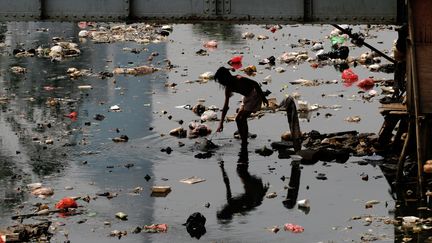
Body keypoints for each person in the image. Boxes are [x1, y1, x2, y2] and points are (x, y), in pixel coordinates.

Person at [214, 67, 268, 146]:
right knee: (237, 119)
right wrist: (221, 123)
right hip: (246, 98)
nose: (221, 83)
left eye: (221, 81)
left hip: (254, 95)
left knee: (242, 118)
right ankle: (243, 137)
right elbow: (226, 106)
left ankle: (244, 140)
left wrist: (263, 98)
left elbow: (255, 83)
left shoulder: (239, 79)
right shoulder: (228, 88)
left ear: (225, 78)